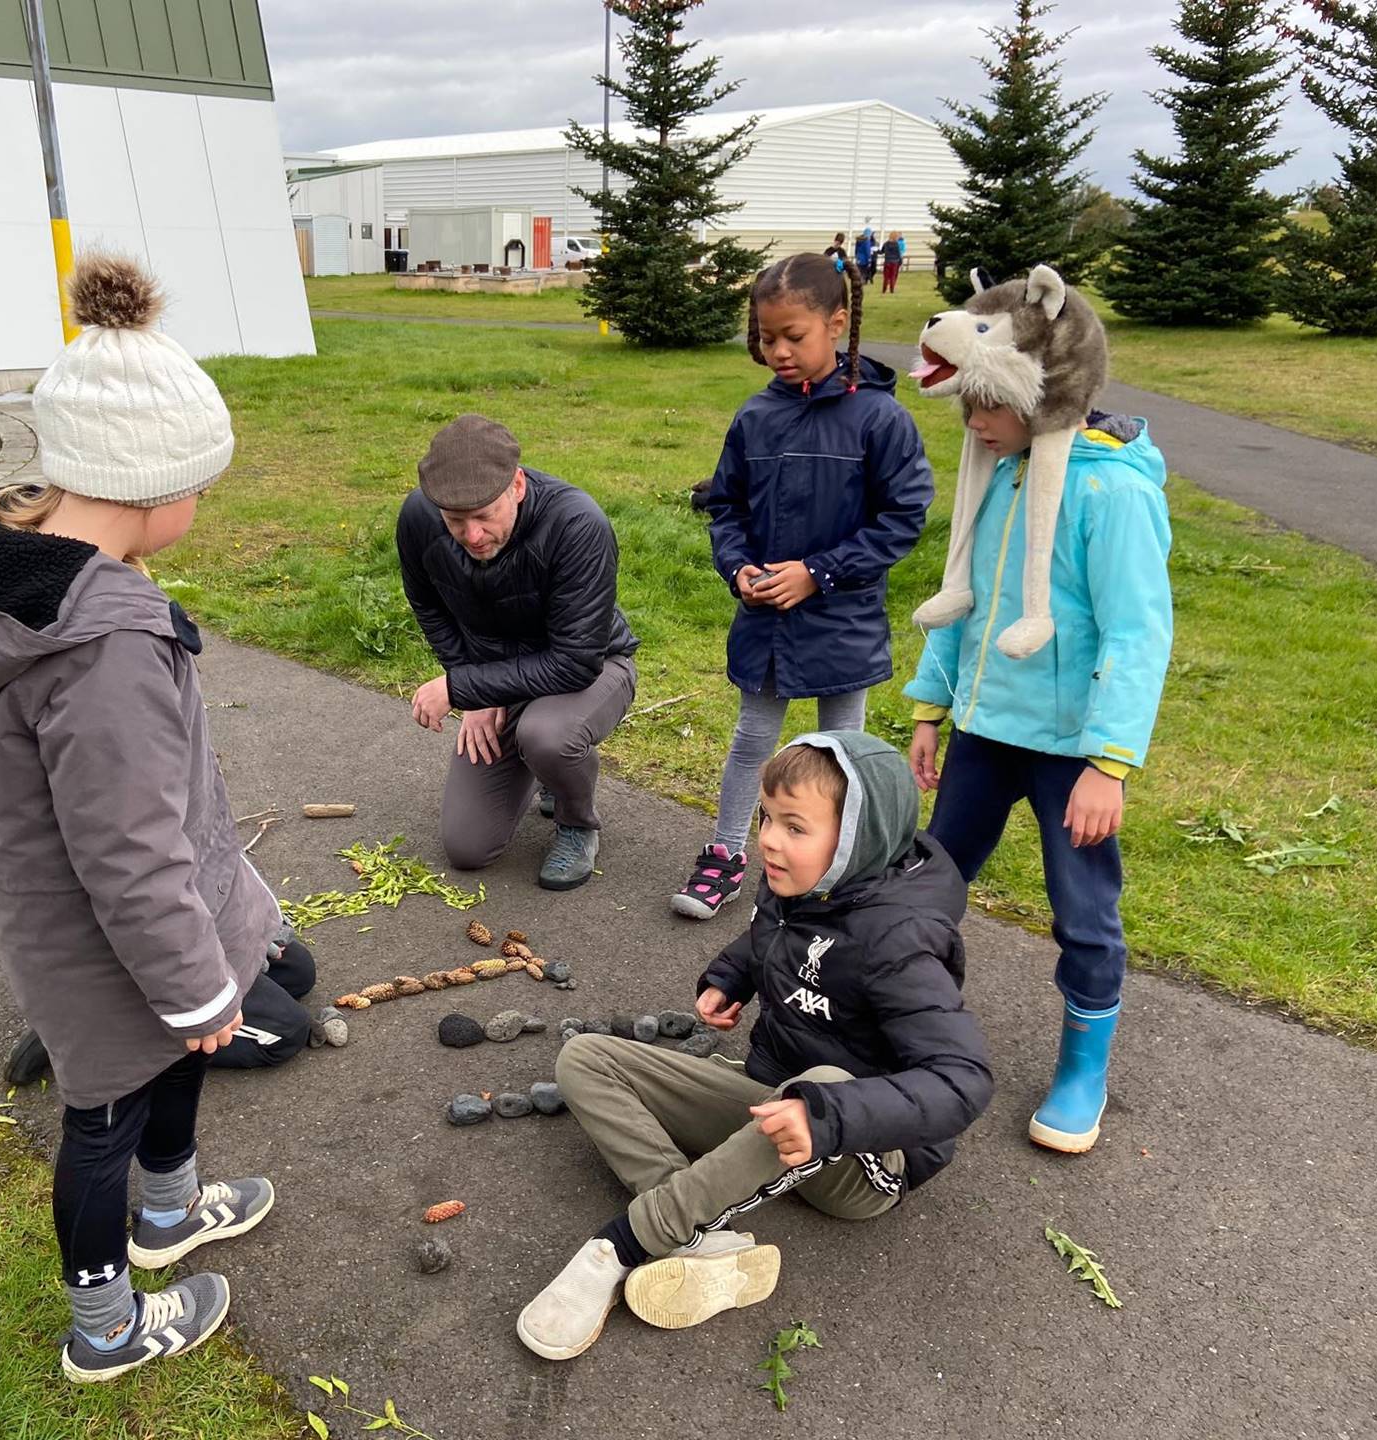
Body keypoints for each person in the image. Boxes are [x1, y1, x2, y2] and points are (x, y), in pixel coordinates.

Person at [0, 255, 276, 1384]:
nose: (201, 507)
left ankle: (169, 1217)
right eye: (200, 485)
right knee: (104, 1111)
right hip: (105, 935)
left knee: (171, 1064)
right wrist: (198, 982)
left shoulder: (22, 570)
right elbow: (127, 847)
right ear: (157, 488)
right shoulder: (106, 645)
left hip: (117, 919)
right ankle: (106, 1325)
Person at [517, 734, 993, 1358]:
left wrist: (830, 1117)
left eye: (796, 827)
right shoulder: (799, 880)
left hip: (863, 1156)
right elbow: (772, 936)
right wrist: (729, 975)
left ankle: (625, 1246)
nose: (768, 838)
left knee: (822, 1084)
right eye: (767, 817)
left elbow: (965, 1078)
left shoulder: (898, 942)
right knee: (585, 1058)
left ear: (858, 840)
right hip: (773, 1097)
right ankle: (698, 1232)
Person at [904, 397, 1171, 1155]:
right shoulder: (1004, 474)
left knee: (1083, 910)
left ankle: (1084, 1069)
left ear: (1044, 397)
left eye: (991, 409)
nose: (974, 426)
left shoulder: (1113, 491)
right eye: (967, 407)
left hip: (1073, 754)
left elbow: (1138, 629)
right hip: (983, 732)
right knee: (928, 882)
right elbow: (970, 600)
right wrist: (931, 704)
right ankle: (906, 1020)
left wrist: (1107, 764)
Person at [670, 254, 932, 920]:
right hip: (765, 625)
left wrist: (818, 574)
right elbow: (724, 507)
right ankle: (726, 855)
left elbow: (902, 520)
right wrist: (738, 570)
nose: (777, 351)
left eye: (794, 336)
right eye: (766, 336)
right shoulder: (755, 417)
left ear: (838, 324)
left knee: (843, 753)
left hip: (842, 622)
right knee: (752, 741)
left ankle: (843, 873)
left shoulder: (880, 420)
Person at [397, 414, 639, 891]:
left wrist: (462, 687)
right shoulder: (419, 518)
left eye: (484, 516)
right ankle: (539, 765)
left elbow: (575, 659)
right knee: (467, 848)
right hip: (496, 678)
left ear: (518, 486)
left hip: (592, 668)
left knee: (547, 734)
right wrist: (476, 688)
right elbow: (428, 604)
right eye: (455, 522)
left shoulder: (577, 524)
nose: (472, 536)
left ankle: (576, 821)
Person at [2, 923, 323, 1085]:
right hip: (154, 952)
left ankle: (98, 1004)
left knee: (298, 972)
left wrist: (254, 922)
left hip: (192, 925)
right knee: (285, 1032)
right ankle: (96, 1022)